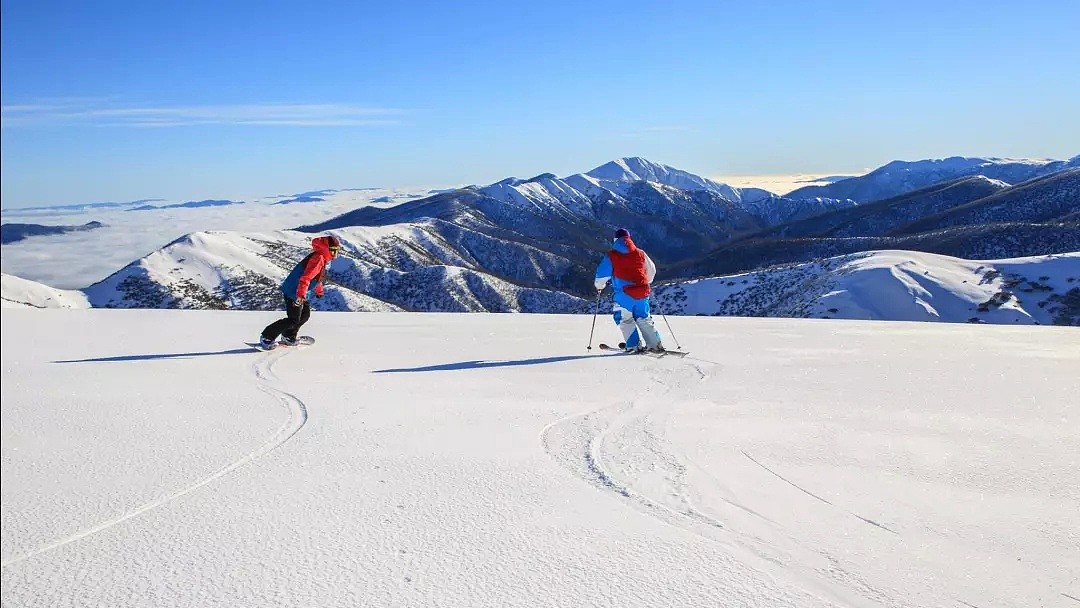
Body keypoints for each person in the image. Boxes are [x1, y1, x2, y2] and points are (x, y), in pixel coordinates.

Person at [260, 235, 341, 347]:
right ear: (326, 249)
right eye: (332, 251)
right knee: (293, 319)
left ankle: (289, 336)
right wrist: (300, 295)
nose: (334, 254)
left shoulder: (321, 258)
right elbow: (306, 278)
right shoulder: (318, 258)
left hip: (300, 292)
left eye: (336, 251)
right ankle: (267, 337)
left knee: (304, 315)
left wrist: (319, 291)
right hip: (294, 292)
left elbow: (316, 278)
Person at [594, 228, 664, 353]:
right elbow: (651, 270)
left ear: (615, 240)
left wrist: (600, 286)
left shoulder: (612, 256)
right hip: (643, 292)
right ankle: (655, 345)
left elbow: (601, 275)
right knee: (644, 318)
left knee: (625, 320)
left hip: (624, 294)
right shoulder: (640, 253)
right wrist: (645, 282)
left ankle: (633, 345)